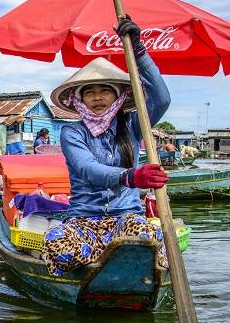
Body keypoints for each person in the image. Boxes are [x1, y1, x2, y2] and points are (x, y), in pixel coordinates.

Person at [42, 16, 171, 277]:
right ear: (80, 99)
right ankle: (107, 258)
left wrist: (139, 50)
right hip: (83, 220)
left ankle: (113, 258)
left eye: (105, 90)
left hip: (126, 218)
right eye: (89, 92)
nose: (98, 97)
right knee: (55, 242)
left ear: (118, 95)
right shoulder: (72, 131)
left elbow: (162, 98)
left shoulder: (133, 125)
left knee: (152, 236)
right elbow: (87, 168)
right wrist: (129, 176)